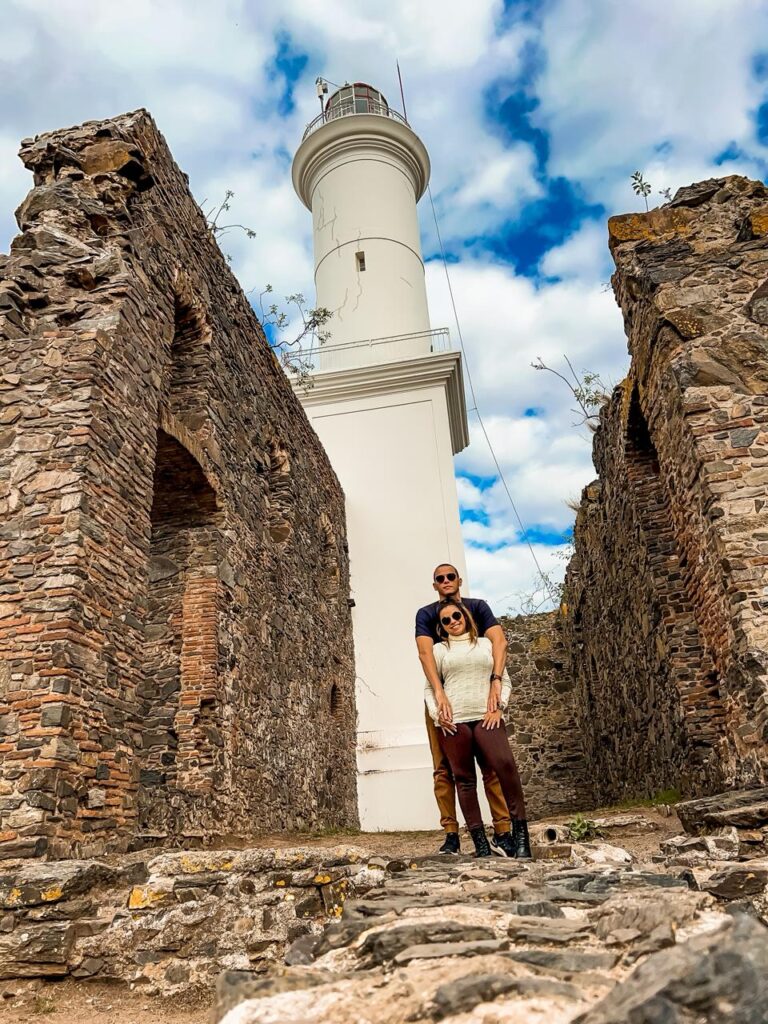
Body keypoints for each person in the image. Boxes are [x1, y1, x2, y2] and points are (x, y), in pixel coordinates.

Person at [415, 563, 515, 857]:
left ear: (459, 580)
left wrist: (496, 681)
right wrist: (439, 694)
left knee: (491, 766)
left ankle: (503, 831)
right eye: (440, 578)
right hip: (443, 700)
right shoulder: (426, 614)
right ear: (434, 585)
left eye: (450, 576)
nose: (446, 581)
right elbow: (425, 653)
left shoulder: (478, 607)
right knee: (443, 769)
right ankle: (451, 834)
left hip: (480, 701)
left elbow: (499, 642)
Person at [424, 596, 532, 859]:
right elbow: (430, 688)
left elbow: (504, 680)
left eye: (456, 616)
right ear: (441, 627)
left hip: (487, 717)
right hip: (454, 722)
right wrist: (438, 716)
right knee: (464, 780)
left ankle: (521, 836)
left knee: (505, 767)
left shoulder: (485, 645)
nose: (452, 622)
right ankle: (481, 844)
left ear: (466, 617)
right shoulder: (440, 650)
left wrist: (499, 707)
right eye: (446, 620)